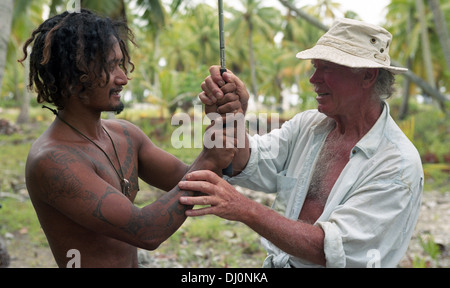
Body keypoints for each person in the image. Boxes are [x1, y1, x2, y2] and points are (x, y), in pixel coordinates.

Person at [179, 18, 424, 268]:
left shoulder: (397, 164)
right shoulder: (309, 125)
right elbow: (250, 163)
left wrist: (244, 209)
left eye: (327, 68)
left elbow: (330, 250)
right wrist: (231, 119)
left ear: (367, 76)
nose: (313, 79)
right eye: (315, 67)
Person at [21, 9, 238, 268]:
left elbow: (190, 179)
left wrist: (221, 122)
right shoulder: (52, 161)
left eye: (120, 64)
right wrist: (208, 160)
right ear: (72, 77)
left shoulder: (126, 135)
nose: (124, 78)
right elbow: (146, 231)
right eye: (110, 67)